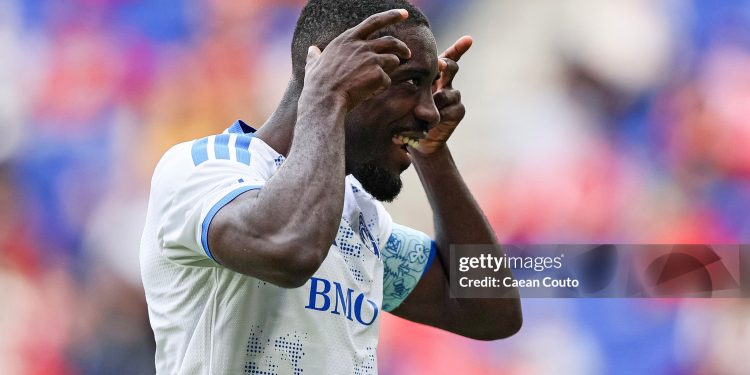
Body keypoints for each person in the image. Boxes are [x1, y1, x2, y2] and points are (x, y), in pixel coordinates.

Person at [140, 0, 521, 373]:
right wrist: (325, 96)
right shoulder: (203, 168)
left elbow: (489, 309)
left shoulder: (358, 216)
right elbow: (289, 251)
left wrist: (432, 153)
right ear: (335, 71)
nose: (430, 111)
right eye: (411, 83)